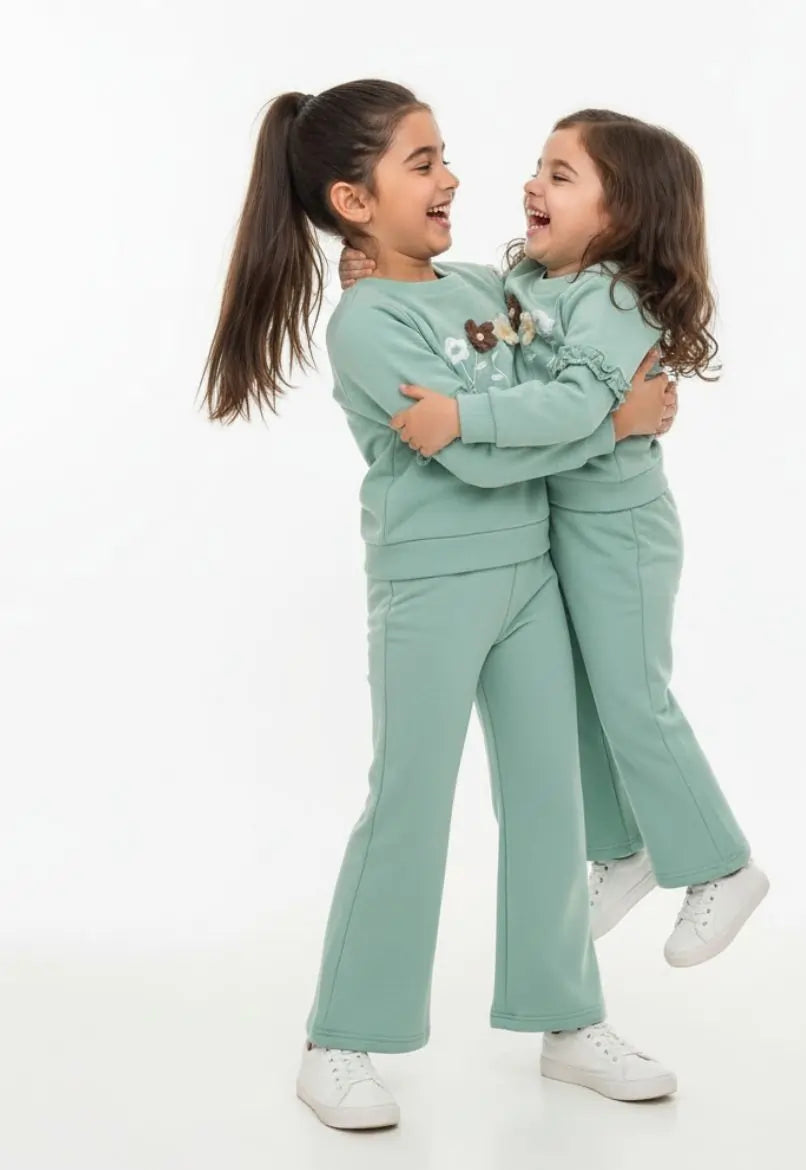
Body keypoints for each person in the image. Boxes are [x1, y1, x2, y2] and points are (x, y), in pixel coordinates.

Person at [202, 80, 680, 1132]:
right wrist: (615, 421)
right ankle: (338, 1041)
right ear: (352, 201)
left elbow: (547, 373)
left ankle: (566, 1020)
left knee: (549, 805)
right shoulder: (365, 326)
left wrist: (599, 394)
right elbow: (477, 449)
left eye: (444, 154)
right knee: (410, 809)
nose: (452, 176)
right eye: (422, 162)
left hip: (531, 577)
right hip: (431, 587)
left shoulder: (481, 284)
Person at [341, 108, 769, 972]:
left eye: (561, 176)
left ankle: (722, 864)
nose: (531, 185)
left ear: (621, 218)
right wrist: (377, 273)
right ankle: (621, 849)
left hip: (619, 531)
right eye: (538, 168)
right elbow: (467, 303)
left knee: (631, 699)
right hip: (557, 528)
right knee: (578, 700)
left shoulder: (613, 299)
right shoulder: (531, 284)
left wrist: (465, 413)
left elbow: (574, 409)